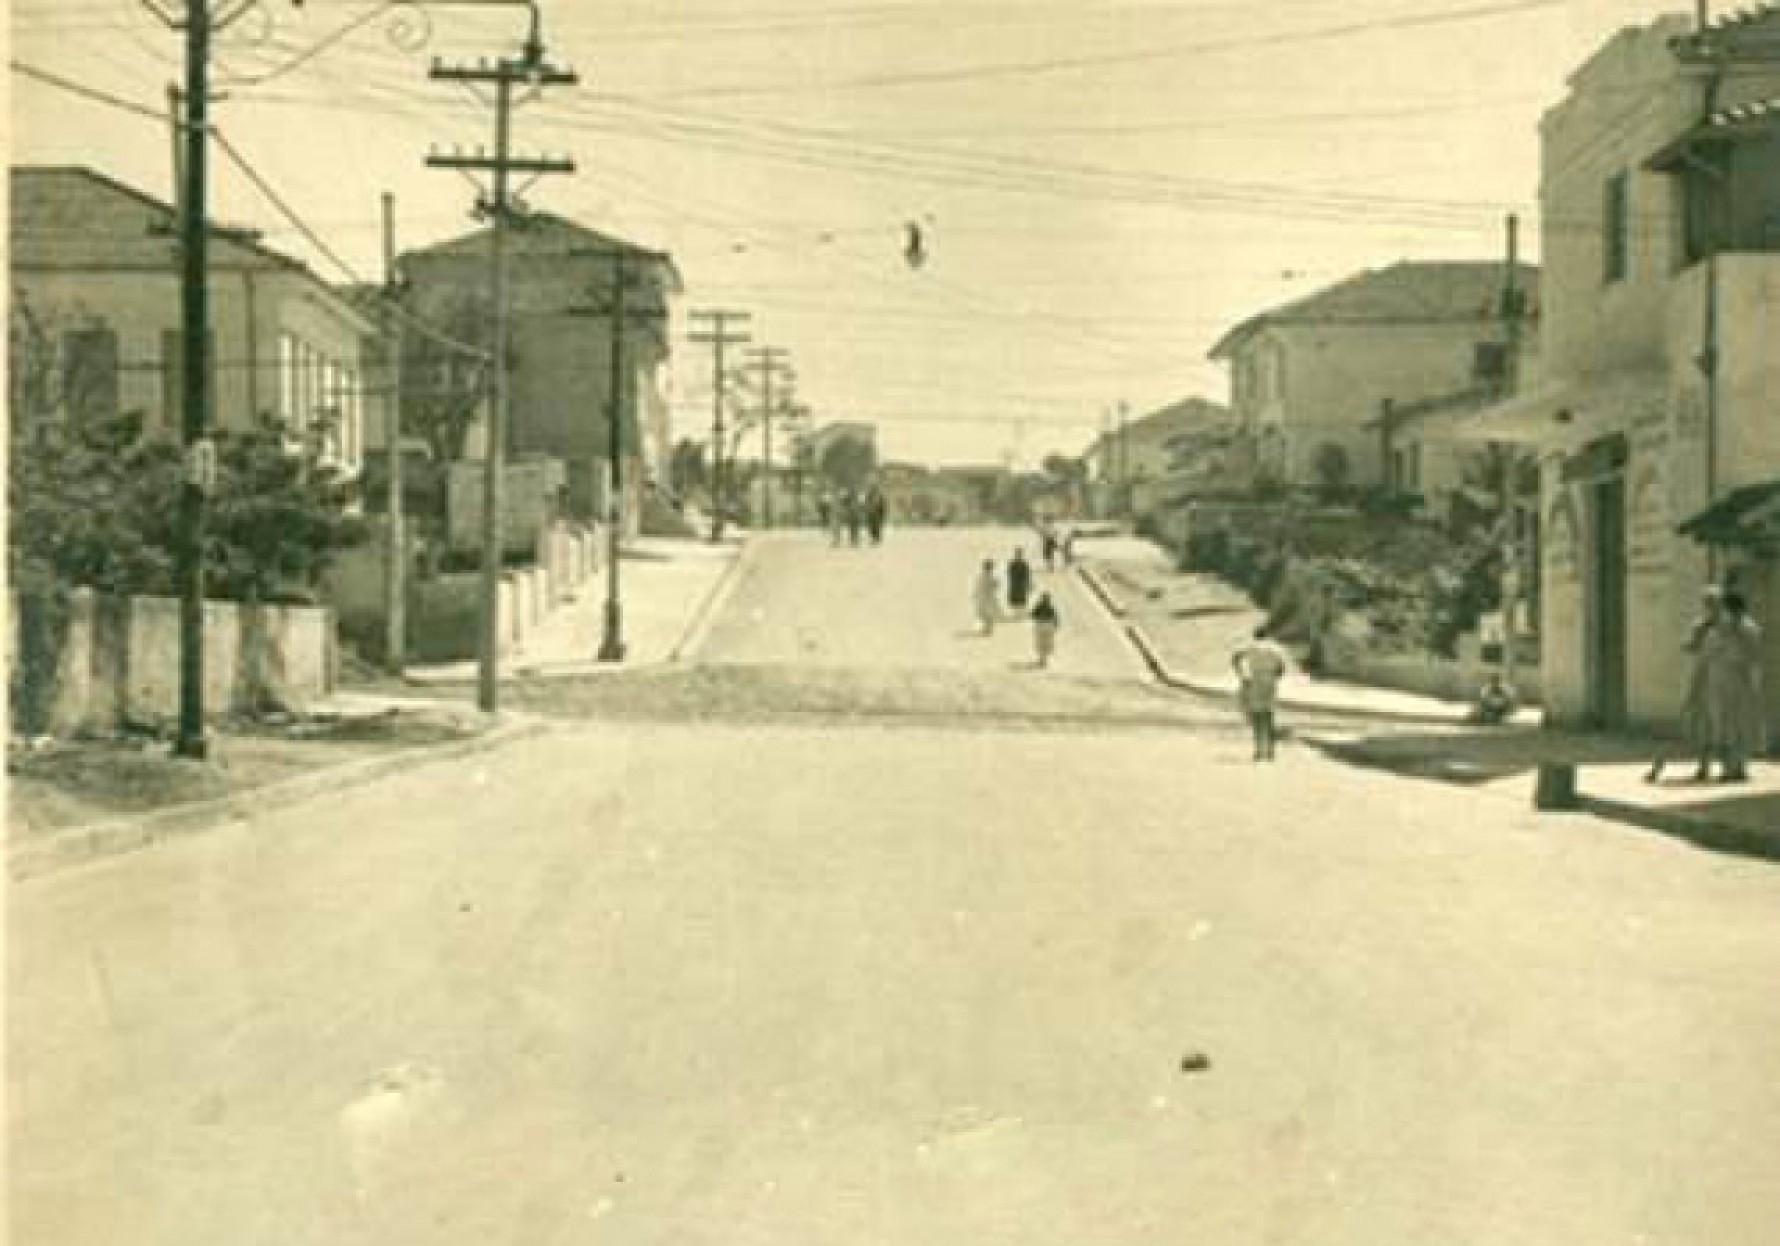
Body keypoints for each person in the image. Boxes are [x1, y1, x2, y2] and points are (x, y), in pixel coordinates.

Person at [1701, 590, 1766, 782]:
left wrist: (1754, 684)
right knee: (1723, 726)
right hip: (1720, 681)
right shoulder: (1720, 628)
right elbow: (1708, 652)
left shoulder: (1749, 629)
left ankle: (1738, 767)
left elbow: (1754, 658)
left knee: (1740, 727)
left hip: (1739, 680)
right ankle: (1728, 767)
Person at [1232, 625, 1289, 762]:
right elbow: (1282, 667)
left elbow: (1235, 658)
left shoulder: (1249, 649)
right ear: (1267, 636)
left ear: (1255, 636)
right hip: (1269, 684)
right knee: (1269, 717)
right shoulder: (1274, 650)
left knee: (1257, 718)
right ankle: (1269, 751)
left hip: (1254, 684)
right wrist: (1275, 676)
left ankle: (1258, 750)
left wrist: (1241, 674)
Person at [1031, 591, 1060, 668]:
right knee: (1046, 642)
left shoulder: (1039, 606)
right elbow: (1055, 617)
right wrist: (1056, 625)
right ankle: (1044, 659)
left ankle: (1042, 658)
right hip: (1048, 625)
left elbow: (1033, 615)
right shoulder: (1050, 607)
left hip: (1041, 625)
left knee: (1041, 642)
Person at [973, 560, 1001, 636]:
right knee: (987, 614)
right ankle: (987, 629)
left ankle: (987, 629)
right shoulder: (986, 576)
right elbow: (995, 585)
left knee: (987, 614)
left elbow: (994, 585)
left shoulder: (983, 576)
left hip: (986, 597)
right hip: (987, 597)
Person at [1007, 548, 1033, 612]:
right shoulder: (1012, 564)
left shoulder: (1024, 564)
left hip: (1021, 586)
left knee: (1021, 603)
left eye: (1019, 554)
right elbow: (1010, 574)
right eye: (1017, 554)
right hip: (1015, 585)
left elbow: (1027, 575)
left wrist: (1028, 583)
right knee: (1014, 603)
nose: (1018, 556)